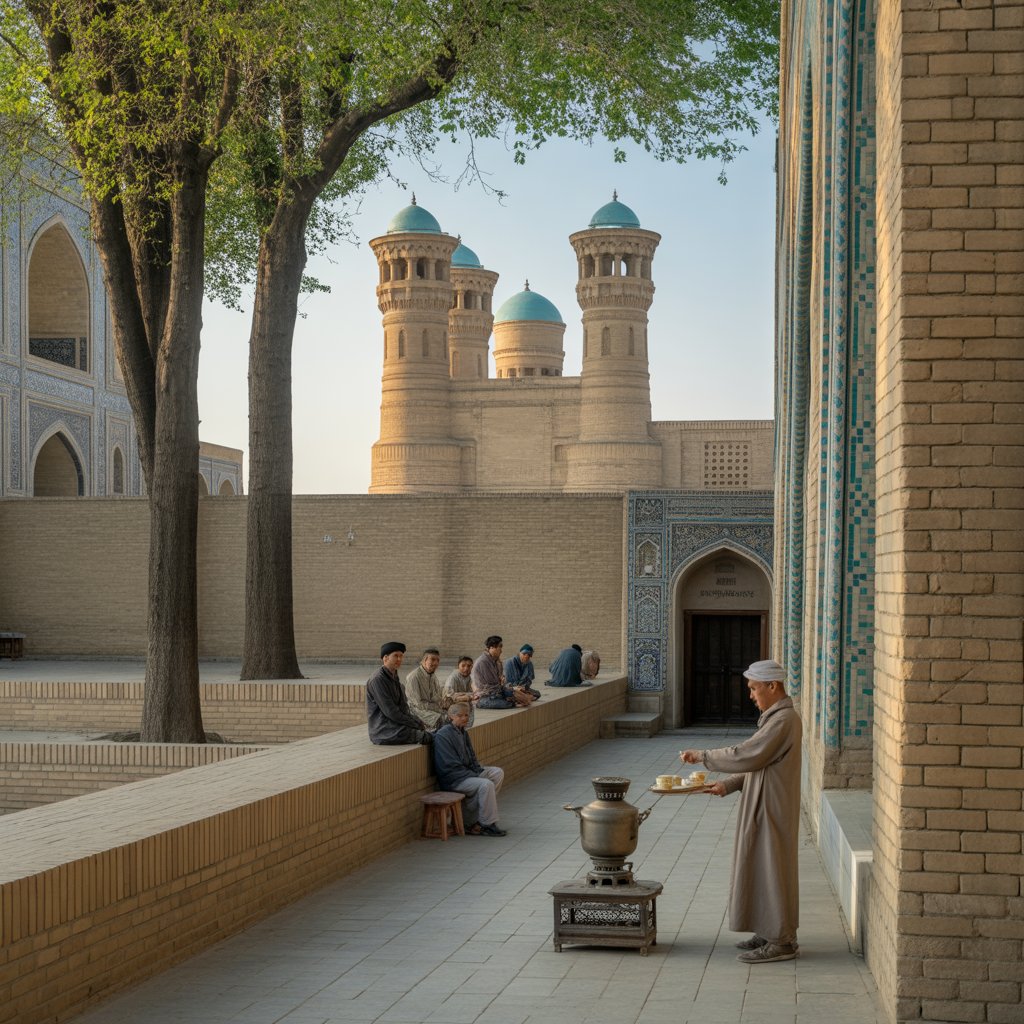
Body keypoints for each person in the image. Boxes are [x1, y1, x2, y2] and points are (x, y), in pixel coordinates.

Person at [680, 659, 802, 963]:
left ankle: (782, 941)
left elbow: (748, 754)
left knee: (772, 869)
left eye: (754, 688)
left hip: (772, 806)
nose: (751, 695)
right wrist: (730, 785)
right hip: (762, 802)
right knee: (760, 866)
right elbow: (759, 763)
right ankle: (769, 929)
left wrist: (703, 756)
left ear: (772, 687)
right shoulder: (775, 719)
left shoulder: (784, 720)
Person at [433, 702, 506, 836]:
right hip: (455, 779)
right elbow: (450, 766)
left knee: (497, 773)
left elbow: (471, 756)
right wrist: (474, 775)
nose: (464, 718)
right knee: (486, 785)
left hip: (468, 774)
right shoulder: (443, 735)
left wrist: (477, 771)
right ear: (451, 717)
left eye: (466, 715)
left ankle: (478, 819)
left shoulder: (462, 732)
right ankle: (487, 824)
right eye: (460, 716)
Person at [366, 641, 433, 745]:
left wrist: (417, 721)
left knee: (432, 731)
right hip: (384, 731)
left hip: (396, 726)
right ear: (385, 658)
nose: (399, 659)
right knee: (428, 737)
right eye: (396, 656)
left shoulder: (395, 678)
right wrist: (414, 724)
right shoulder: (377, 680)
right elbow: (391, 712)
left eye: (401, 656)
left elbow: (403, 708)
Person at [472, 636, 533, 708]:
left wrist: (513, 691)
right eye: (500, 647)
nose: (501, 650)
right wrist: (512, 690)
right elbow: (492, 686)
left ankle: (510, 699)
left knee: (526, 698)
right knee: (506, 703)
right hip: (486, 695)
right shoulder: (483, 662)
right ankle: (483, 702)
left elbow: (500, 681)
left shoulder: (495, 661)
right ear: (491, 647)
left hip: (498, 690)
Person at [405, 647, 448, 730]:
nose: (435, 663)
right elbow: (418, 704)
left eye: (437, 660)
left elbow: (436, 697)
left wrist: (444, 704)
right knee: (441, 719)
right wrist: (438, 708)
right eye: (432, 659)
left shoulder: (433, 677)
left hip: (430, 708)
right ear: (424, 660)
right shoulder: (413, 677)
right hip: (416, 710)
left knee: (455, 715)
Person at [444, 656, 478, 726]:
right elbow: (449, 695)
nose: (466, 668)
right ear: (458, 666)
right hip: (451, 706)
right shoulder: (453, 677)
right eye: (463, 666)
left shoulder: (469, 677)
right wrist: (468, 697)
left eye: (469, 666)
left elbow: (474, 691)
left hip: (464, 704)